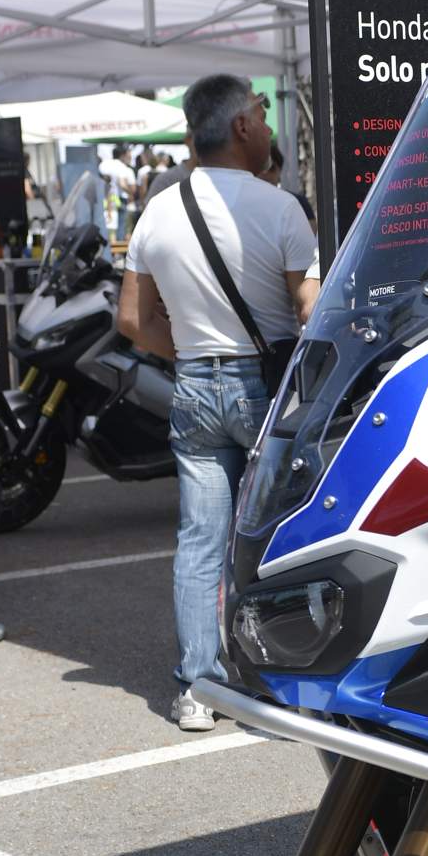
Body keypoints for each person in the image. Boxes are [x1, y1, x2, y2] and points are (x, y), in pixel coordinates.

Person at [119, 76, 315, 730]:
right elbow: (310, 310)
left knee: (201, 541)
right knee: (275, 538)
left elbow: (133, 320)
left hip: (195, 385)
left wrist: (191, 355)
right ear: (240, 126)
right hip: (268, 392)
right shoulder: (281, 208)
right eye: (262, 113)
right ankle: (273, 683)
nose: (269, 126)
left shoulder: (157, 211)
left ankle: (199, 689)